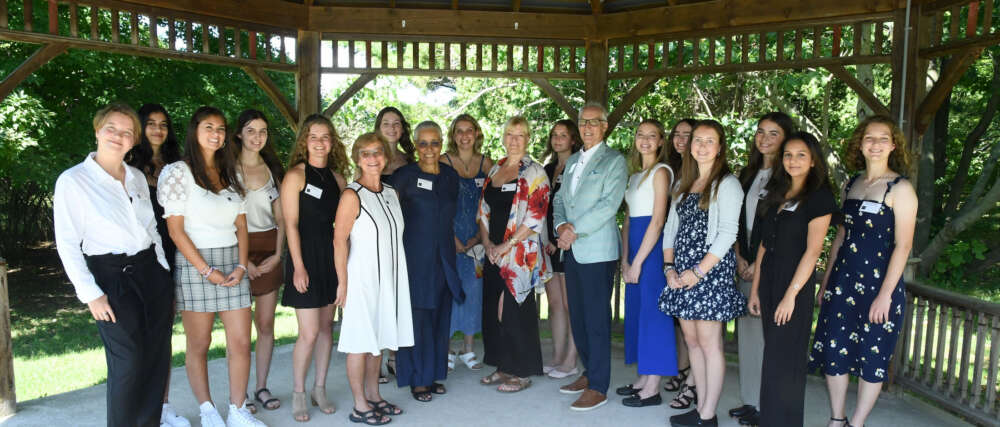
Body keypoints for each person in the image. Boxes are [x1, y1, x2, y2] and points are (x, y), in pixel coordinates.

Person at [54, 103, 174, 427]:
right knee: (129, 363)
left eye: (127, 132)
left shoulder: (135, 177)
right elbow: (66, 243)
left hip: (151, 272)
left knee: (155, 360)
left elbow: (151, 228)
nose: (118, 136)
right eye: (112, 128)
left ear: (135, 140)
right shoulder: (73, 181)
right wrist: (91, 294)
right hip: (111, 279)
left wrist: (162, 267)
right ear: (97, 130)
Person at [157, 107, 265, 426]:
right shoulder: (178, 172)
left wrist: (242, 266)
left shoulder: (230, 170)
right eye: (208, 127)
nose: (216, 133)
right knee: (200, 344)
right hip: (196, 264)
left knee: (242, 342)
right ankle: (207, 410)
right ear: (195, 130)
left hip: (233, 262)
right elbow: (175, 230)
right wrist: (206, 270)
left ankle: (237, 409)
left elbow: (242, 226)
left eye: (220, 128)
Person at [809, 116, 917, 427]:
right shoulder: (851, 184)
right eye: (869, 138)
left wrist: (885, 296)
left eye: (884, 138)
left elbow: (903, 246)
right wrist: (826, 281)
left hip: (880, 286)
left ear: (893, 145)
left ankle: (857, 423)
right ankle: (837, 418)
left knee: (873, 356)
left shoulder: (901, 188)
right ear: (860, 143)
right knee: (835, 351)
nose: (876, 144)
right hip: (843, 282)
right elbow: (840, 237)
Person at [747, 131, 837, 427]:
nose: (793, 160)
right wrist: (755, 290)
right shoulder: (777, 191)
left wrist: (790, 296)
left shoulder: (820, 197)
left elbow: (812, 253)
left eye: (801, 155)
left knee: (787, 362)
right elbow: (763, 245)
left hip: (794, 284)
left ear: (813, 161)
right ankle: (769, 419)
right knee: (772, 358)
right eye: (788, 155)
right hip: (769, 279)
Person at [660, 119, 746, 427]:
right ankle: (699, 408)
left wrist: (697, 272)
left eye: (710, 141)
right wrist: (670, 269)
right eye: (698, 140)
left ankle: (708, 415)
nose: (702, 146)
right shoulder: (684, 183)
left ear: (720, 147)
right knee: (692, 341)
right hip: (681, 274)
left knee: (710, 345)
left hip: (709, 274)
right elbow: (670, 229)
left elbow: (727, 233)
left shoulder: (728, 184)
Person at [334, 132, 414, 426]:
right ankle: (359, 405)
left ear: (386, 157)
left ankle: (374, 396)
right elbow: (339, 241)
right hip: (362, 279)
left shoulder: (391, 193)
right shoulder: (351, 195)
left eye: (377, 152)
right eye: (365, 153)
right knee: (360, 342)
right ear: (357, 159)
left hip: (389, 279)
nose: (372, 158)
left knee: (378, 340)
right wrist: (342, 283)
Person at [552, 102, 628, 411]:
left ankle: (599, 386)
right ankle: (589, 372)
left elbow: (609, 206)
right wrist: (560, 225)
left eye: (594, 122)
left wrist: (573, 231)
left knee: (596, 321)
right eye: (583, 122)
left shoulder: (614, 161)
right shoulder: (572, 161)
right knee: (579, 318)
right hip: (572, 251)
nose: (587, 127)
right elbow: (559, 199)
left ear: (605, 126)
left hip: (597, 252)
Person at [280, 114, 349, 421]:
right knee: (308, 333)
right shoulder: (295, 175)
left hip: (330, 259)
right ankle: (298, 392)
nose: (320, 143)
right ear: (304, 141)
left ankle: (319, 388)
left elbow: (344, 228)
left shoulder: (337, 179)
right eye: (314, 137)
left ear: (332, 142)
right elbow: (290, 224)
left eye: (325, 137)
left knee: (325, 330)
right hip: (303, 256)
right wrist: (297, 267)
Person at [390, 121, 464, 402]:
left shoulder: (450, 176)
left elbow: (449, 215)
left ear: (442, 144)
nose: (429, 149)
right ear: (416, 146)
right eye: (423, 143)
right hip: (414, 257)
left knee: (440, 317)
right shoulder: (403, 176)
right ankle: (417, 379)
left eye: (435, 143)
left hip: (444, 257)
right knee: (417, 318)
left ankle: (433, 375)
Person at [477, 116, 551, 393]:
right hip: (493, 252)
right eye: (510, 134)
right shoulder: (495, 168)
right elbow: (483, 211)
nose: (514, 140)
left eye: (521, 135)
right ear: (504, 136)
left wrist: (504, 247)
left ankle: (522, 372)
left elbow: (534, 219)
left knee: (513, 311)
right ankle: (503, 365)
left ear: (528, 138)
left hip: (520, 254)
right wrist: (487, 245)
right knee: (493, 312)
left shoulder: (535, 172)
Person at [729, 111, 795, 426]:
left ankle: (768, 404)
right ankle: (751, 401)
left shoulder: (791, 178)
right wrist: (741, 258)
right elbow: (737, 222)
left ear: (786, 139)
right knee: (749, 334)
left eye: (773, 133)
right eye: (760, 132)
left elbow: (782, 229)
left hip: (772, 264)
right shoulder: (748, 174)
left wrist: (758, 263)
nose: (764, 139)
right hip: (745, 259)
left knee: (770, 338)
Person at [127, 103, 190, 427]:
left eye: (163, 124)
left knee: (162, 337)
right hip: (135, 260)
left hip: (170, 258)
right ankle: (137, 408)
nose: (157, 129)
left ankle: (162, 407)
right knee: (135, 339)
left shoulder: (178, 167)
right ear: (140, 128)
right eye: (150, 123)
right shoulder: (126, 167)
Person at [616, 119, 677, 407]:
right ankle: (643, 377)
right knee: (639, 312)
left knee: (655, 314)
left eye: (652, 136)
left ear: (661, 141)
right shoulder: (634, 175)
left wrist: (639, 261)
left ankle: (653, 387)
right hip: (635, 248)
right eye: (641, 135)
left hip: (652, 250)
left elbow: (658, 220)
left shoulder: (661, 172)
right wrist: (626, 257)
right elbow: (628, 218)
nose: (646, 140)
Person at [232, 109, 285, 415]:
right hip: (236, 249)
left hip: (270, 249)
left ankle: (261, 386)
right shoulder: (226, 168)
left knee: (265, 325)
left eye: (263, 131)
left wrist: (278, 255)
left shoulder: (274, 169)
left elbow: (281, 219)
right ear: (239, 133)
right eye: (251, 131)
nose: (257, 137)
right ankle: (240, 395)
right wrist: (242, 261)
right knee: (238, 331)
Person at [441, 114, 492, 372]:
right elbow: (436, 204)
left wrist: (478, 238)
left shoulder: (486, 164)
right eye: (459, 131)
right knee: (449, 293)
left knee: (473, 292)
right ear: (453, 135)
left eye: (469, 130)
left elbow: (491, 205)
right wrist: (451, 238)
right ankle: (448, 348)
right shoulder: (443, 162)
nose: (464, 135)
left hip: (476, 241)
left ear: (476, 133)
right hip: (448, 237)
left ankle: (469, 349)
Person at [541, 119, 582, 379]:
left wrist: (559, 239)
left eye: (563, 135)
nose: (558, 139)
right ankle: (557, 356)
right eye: (554, 135)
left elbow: (576, 208)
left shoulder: (579, 167)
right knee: (555, 304)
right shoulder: (547, 169)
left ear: (573, 139)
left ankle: (571, 359)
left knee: (570, 304)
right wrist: (545, 239)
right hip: (547, 244)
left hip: (568, 244)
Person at [663, 118, 698, 410]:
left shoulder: (703, 173)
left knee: (694, 327)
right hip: (670, 251)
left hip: (696, 261)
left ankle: (693, 380)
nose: (682, 139)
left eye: (689, 135)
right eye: (678, 134)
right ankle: (683, 369)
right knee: (679, 320)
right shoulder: (671, 170)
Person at [375, 106, 415, 177]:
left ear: (402, 129)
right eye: (386, 124)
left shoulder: (409, 160)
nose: (392, 127)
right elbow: (355, 187)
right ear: (379, 129)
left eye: (396, 123)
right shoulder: (368, 158)